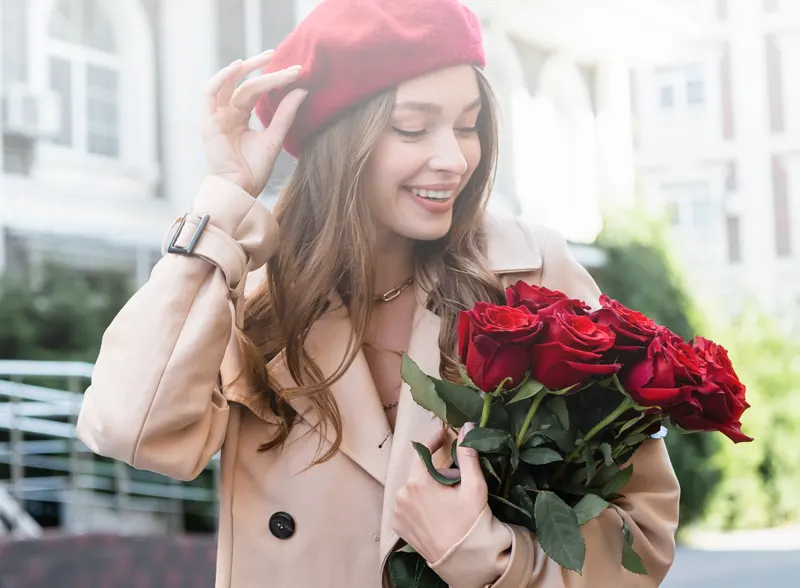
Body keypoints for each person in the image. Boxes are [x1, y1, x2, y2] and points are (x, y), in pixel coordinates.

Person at [76, 0, 680, 586]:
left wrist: (485, 557)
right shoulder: (253, 294)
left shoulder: (530, 274)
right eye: (413, 128)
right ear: (341, 143)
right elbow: (129, 431)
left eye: (469, 126)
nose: (455, 158)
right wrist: (222, 203)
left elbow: (643, 534)